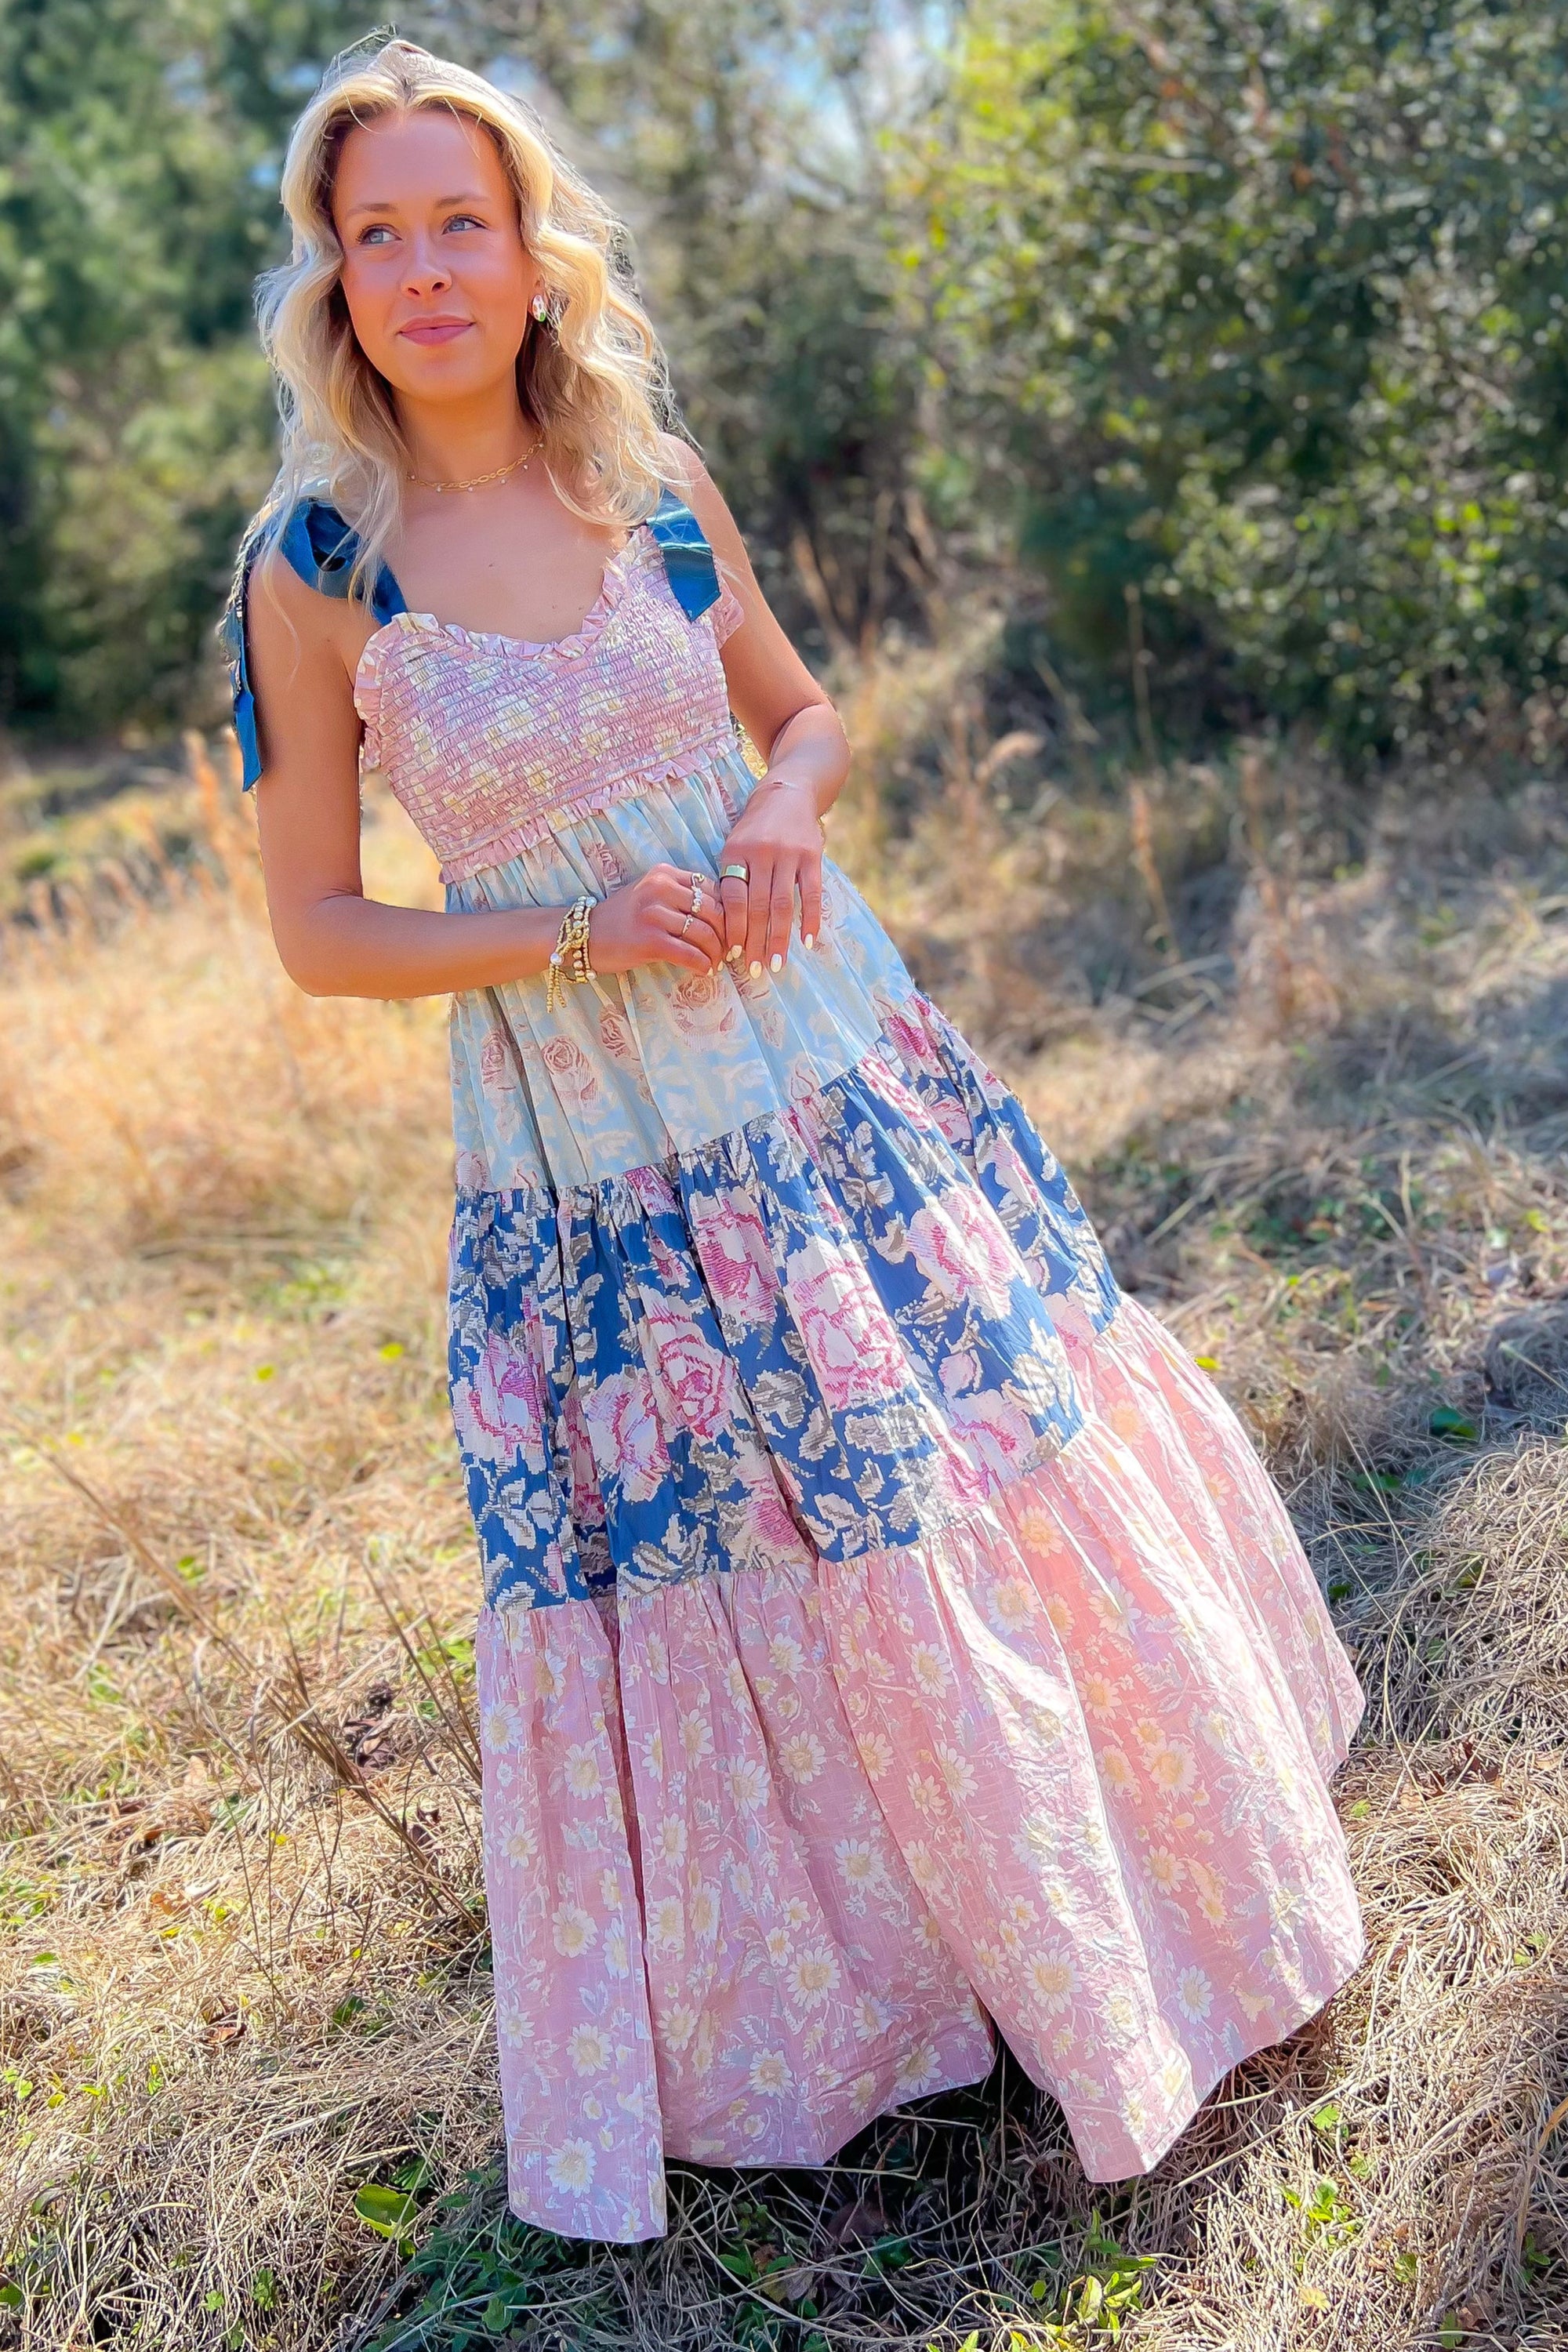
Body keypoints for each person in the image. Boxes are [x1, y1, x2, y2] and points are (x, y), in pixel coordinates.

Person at [223, 36, 1365, 2245]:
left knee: (943, 1469)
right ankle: (860, 2002)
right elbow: (315, 933)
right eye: (380, 234)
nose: (427, 268)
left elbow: (810, 709)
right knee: (764, 1522)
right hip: (599, 1161)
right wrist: (564, 926)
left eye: (464, 219)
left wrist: (774, 802)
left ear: (532, 249)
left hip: (831, 1068)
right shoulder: (317, 560)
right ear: (337, 279)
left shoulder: (641, 477)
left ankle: (1109, 1904)